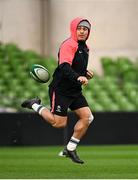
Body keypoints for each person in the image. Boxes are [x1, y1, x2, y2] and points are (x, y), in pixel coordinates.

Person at [21, 17, 94, 164]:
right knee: (59, 123)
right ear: (73, 29)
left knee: (88, 117)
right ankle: (34, 104)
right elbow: (64, 66)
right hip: (61, 89)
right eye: (79, 28)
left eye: (85, 29)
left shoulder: (85, 47)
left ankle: (70, 148)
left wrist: (84, 73)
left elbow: (75, 66)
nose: (82, 31)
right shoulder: (69, 44)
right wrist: (78, 77)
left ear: (88, 32)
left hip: (74, 90)